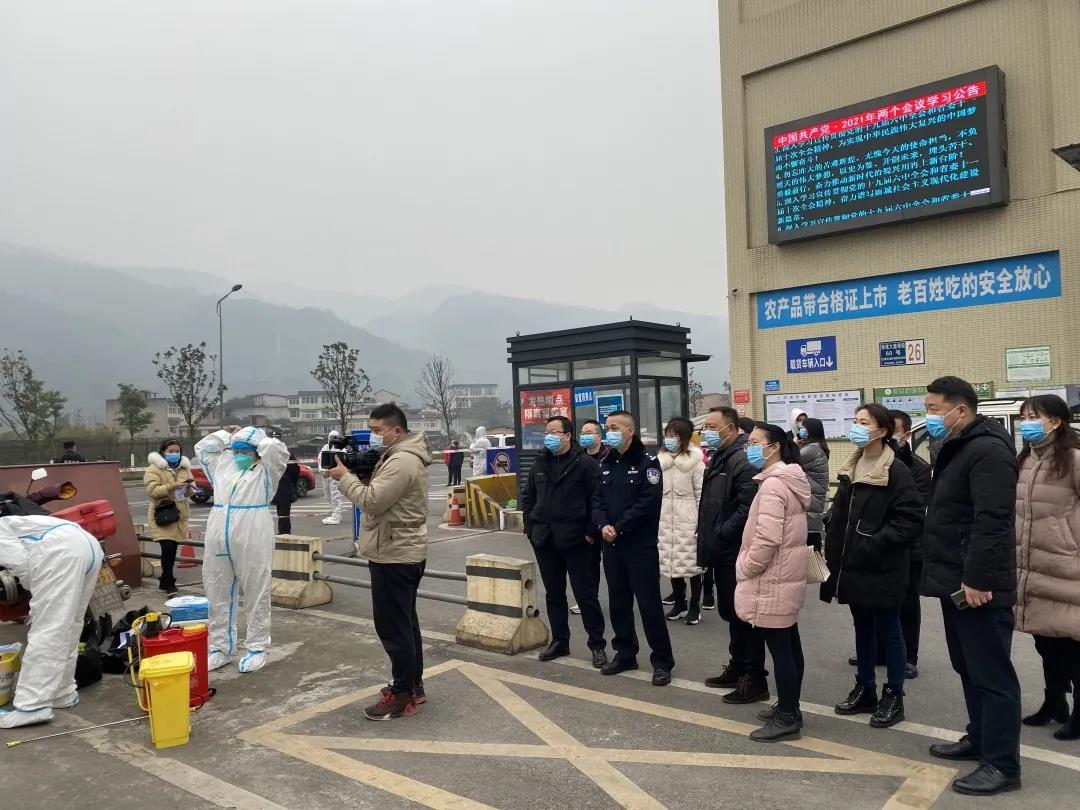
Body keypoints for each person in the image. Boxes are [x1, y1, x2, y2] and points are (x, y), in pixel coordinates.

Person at [921, 376, 1022, 796]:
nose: (927, 416)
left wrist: (977, 579)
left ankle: (1002, 765)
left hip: (978, 584)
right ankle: (979, 738)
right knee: (969, 667)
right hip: (955, 580)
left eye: (932, 408)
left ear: (959, 410)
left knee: (992, 673)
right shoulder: (958, 447)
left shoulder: (988, 451)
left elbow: (992, 520)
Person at [821, 404, 924, 729]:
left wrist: (872, 542)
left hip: (882, 565)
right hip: (852, 565)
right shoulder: (852, 465)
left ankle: (894, 695)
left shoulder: (896, 470)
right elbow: (842, 516)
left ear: (881, 431)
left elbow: (909, 520)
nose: (856, 427)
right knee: (862, 628)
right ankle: (864, 687)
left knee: (890, 631)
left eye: (863, 422)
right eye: (854, 421)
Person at [332, 403, 432, 720]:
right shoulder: (399, 456)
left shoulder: (402, 461)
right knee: (405, 623)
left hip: (395, 553)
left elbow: (372, 501)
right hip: (399, 549)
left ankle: (401, 695)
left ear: (396, 431)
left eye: (377, 431)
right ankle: (412, 685)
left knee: (393, 627)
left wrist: (345, 478)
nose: (374, 437)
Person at [736, 422, 810, 742]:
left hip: (773, 578)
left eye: (755, 442)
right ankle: (789, 706)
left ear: (774, 446)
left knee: (781, 651)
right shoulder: (787, 480)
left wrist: (746, 568)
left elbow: (766, 539)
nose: (749, 448)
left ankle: (788, 715)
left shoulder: (773, 486)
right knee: (790, 646)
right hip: (784, 577)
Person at [195, 426, 288, 674]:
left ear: (257, 451)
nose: (239, 454)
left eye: (245, 450)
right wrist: (227, 436)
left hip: (253, 530)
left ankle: (257, 647)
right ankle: (220, 647)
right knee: (216, 590)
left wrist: (256, 439)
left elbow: (276, 450)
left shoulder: (267, 471)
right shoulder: (224, 466)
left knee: (256, 590)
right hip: (218, 531)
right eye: (236, 450)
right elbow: (202, 448)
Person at [1014, 394, 1080, 740]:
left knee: (1073, 643)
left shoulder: (1073, 459)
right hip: (1032, 564)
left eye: (1034, 416)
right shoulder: (1026, 459)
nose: (1027, 422)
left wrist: (1070, 541)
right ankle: (1054, 702)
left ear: (1055, 421)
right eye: (1024, 416)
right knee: (1046, 642)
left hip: (1067, 564)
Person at [592, 409, 674, 685]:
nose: (609, 432)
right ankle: (625, 653)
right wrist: (603, 524)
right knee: (618, 603)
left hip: (639, 546)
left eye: (614, 427)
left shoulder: (648, 463)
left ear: (630, 431)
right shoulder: (606, 461)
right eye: (607, 427)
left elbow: (647, 502)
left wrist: (619, 527)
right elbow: (597, 499)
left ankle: (662, 661)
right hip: (611, 546)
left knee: (649, 605)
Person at [0, 513, 104, 728]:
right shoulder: (12, 523)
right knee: (71, 624)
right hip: (87, 546)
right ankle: (62, 692)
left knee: (48, 627)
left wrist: (38, 591)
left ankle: (32, 705)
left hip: (60, 552)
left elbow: (20, 564)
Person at [521, 415, 607, 668]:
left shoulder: (585, 464)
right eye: (547, 431)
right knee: (554, 593)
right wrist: (530, 526)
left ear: (568, 436)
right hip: (544, 539)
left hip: (577, 539)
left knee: (585, 594)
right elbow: (528, 496)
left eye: (555, 432)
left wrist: (591, 532)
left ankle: (597, 645)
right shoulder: (539, 463)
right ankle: (560, 641)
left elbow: (597, 499)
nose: (549, 436)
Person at [696, 407, 763, 702]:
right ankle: (737, 666)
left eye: (713, 426)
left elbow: (747, 508)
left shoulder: (743, 459)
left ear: (732, 428)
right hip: (721, 550)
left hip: (734, 550)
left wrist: (722, 531)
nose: (707, 431)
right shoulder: (722, 455)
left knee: (743, 617)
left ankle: (753, 677)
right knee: (732, 614)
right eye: (706, 426)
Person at [890, 408, 932, 678]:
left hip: (909, 547)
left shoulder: (919, 467)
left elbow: (914, 508)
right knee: (879, 599)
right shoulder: (869, 463)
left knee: (907, 602)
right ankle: (882, 650)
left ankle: (909, 655)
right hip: (879, 546)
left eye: (892, 430)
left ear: (905, 433)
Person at [658, 417, 706, 625]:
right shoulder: (660, 461)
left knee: (693, 565)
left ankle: (695, 605)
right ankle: (679, 603)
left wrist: (701, 523)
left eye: (674, 436)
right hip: (665, 517)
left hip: (689, 518)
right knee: (671, 563)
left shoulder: (696, 463)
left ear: (684, 438)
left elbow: (702, 494)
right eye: (667, 435)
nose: (670, 440)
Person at [143, 439, 196, 596]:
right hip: (163, 513)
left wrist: (190, 488)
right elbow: (152, 491)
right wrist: (172, 486)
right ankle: (169, 581)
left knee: (172, 549)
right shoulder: (154, 469)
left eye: (177, 451)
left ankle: (164, 580)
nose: (174, 454)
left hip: (179, 514)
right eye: (171, 451)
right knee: (167, 547)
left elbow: (190, 493)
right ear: (163, 452)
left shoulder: (184, 469)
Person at [570, 419, 606, 616]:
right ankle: (589, 600)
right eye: (583, 432)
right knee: (588, 564)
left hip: (607, 520)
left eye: (590, 432)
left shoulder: (609, 457)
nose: (585, 435)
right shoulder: (578, 458)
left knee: (612, 565)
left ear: (599, 436)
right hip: (585, 520)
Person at [797, 417, 830, 549]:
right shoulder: (816, 447)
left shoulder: (812, 449)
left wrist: (794, 443)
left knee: (811, 557)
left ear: (810, 431)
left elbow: (789, 462)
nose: (801, 430)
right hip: (812, 509)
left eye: (803, 427)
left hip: (809, 511)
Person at [320, 429, 347, 525]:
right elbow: (320, 460)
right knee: (328, 495)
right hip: (326, 476)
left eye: (335, 437)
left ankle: (336, 516)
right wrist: (323, 470)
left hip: (336, 475)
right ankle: (335, 513)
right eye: (331, 437)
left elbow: (344, 461)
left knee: (336, 496)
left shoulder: (341, 448)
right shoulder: (325, 447)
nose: (333, 439)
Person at [272, 444, 301, 535]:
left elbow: (295, 470)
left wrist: (289, 482)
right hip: (280, 486)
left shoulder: (286, 454)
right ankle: (283, 532)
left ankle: (284, 533)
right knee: (281, 512)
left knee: (283, 513)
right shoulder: (276, 454)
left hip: (283, 486)